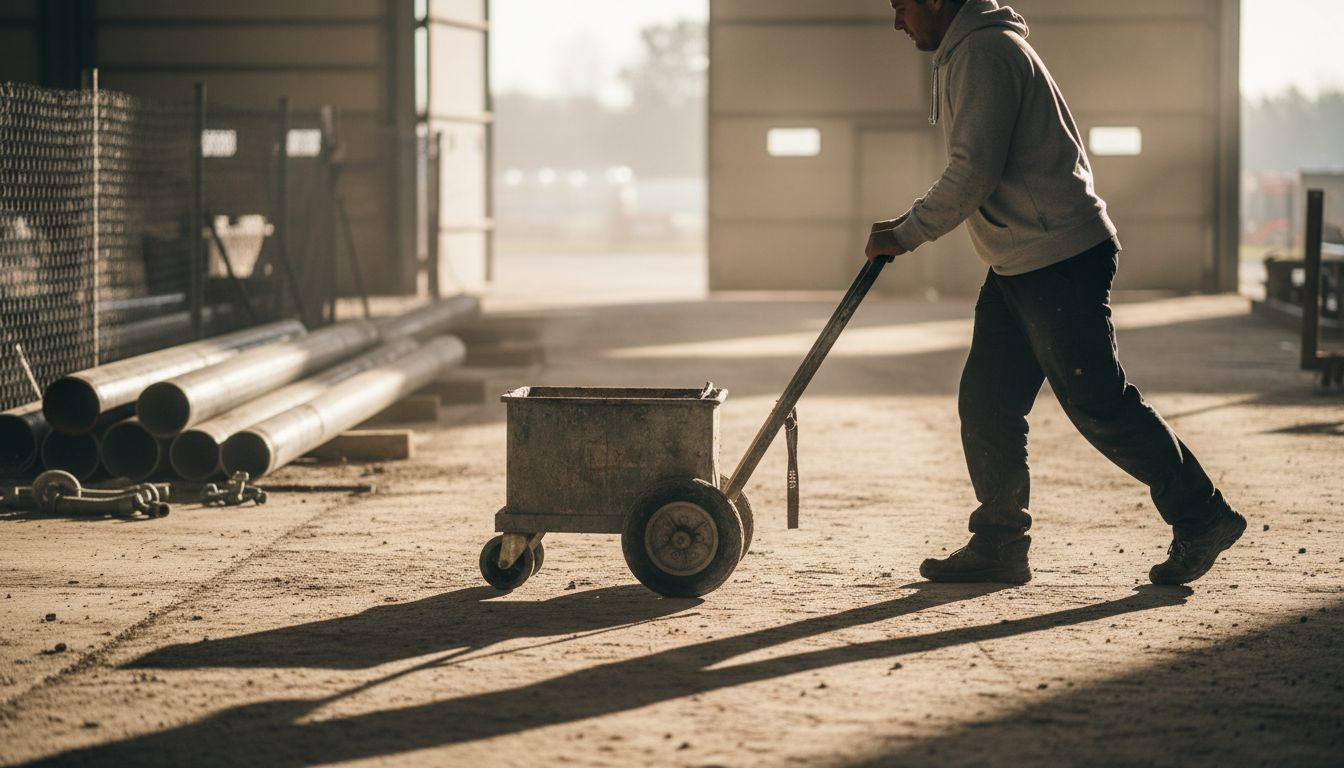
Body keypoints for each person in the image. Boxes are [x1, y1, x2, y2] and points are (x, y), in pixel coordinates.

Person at [865, 0, 1246, 586]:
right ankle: (999, 543)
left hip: (1057, 257)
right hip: (1019, 260)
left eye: (902, 7)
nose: (897, 22)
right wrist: (908, 227)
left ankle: (1203, 516)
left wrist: (906, 232)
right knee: (988, 403)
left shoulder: (985, 51)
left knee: (1098, 402)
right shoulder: (971, 50)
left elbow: (973, 171)